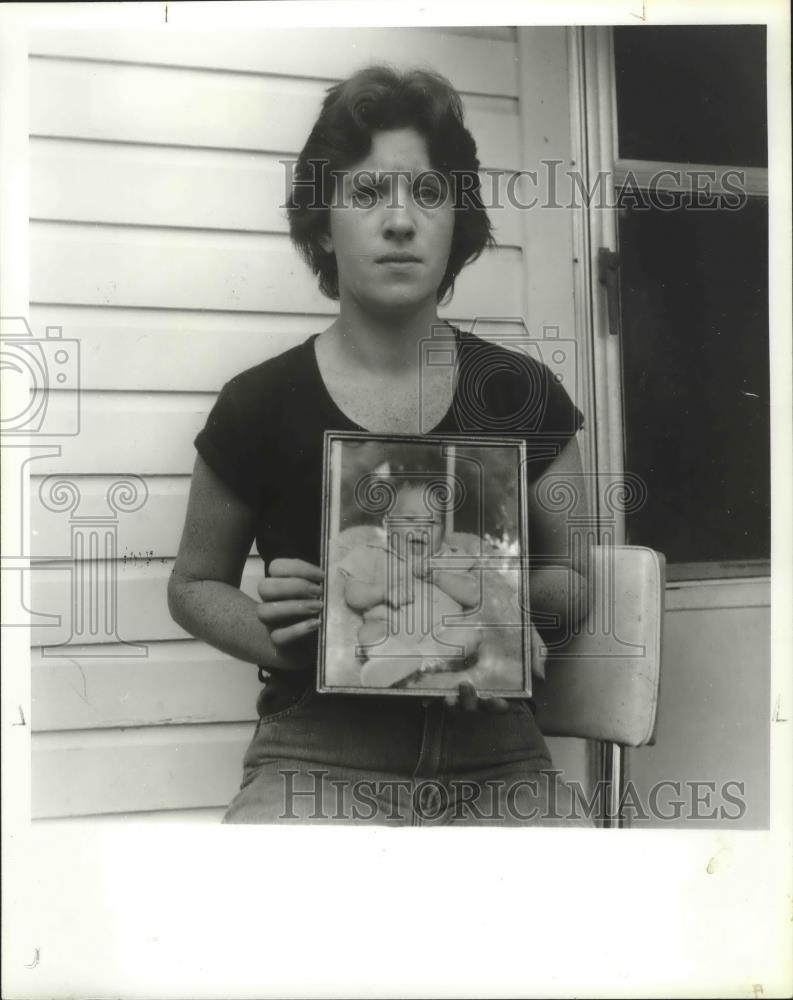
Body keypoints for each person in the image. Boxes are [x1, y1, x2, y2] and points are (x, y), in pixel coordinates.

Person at [168, 65, 592, 825]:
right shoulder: (258, 403)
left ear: (455, 219)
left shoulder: (520, 394)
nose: (399, 221)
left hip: (495, 755)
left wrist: (503, 612)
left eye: (426, 194)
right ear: (322, 224)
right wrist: (277, 635)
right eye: (366, 194)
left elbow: (573, 579)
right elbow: (194, 586)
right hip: (317, 758)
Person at [337, 477, 485, 689]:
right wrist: (383, 591)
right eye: (411, 519)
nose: (421, 529)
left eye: (432, 522)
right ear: (388, 525)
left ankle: (417, 660)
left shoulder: (449, 557)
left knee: (471, 635)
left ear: (443, 532)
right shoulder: (373, 553)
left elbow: (474, 595)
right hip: (389, 629)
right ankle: (392, 659)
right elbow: (353, 593)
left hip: (440, 633)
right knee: (367, 633)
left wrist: (439, 576)